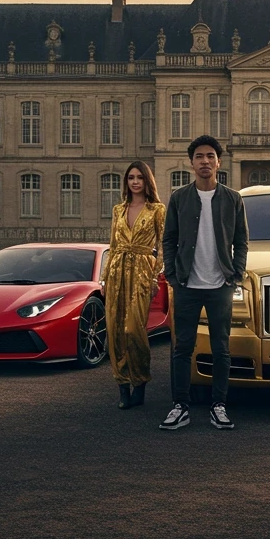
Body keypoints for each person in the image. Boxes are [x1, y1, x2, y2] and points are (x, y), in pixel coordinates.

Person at [159, 135, 249, 430]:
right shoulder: (179, 198)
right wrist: (172, 275)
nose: (205, 161)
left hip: (219, 285)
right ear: (192, 163)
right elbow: (169, 239)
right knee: (182, 348)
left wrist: (235, 274)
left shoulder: (233, 199)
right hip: (186, 284)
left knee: (221, 348)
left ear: (219, 162)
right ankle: (180, 405)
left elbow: (242, 242)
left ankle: (219, 405)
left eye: (210, 156)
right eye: (200, 156)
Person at [103, 161, 165, 410]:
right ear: (126, 182)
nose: (135, 182)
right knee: (115, 330)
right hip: (117, 269)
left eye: (140, 177)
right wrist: (106, 279)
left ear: (147, 181)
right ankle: (122, 386)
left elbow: (162, 246)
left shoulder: (157, 210)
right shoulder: (119, 210)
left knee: (132, 329)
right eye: (131, 178)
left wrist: (153, 277)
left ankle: (139, 381)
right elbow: (113, 245)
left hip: (141, 269)